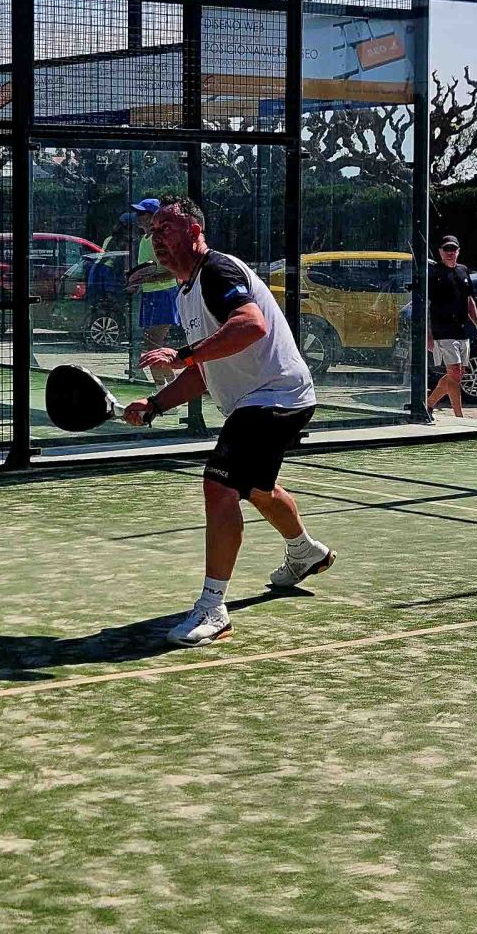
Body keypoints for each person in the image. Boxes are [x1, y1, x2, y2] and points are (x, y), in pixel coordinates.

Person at [123, 196, 336, 647]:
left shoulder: (217, 271)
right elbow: (205, 369)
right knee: (256, 488)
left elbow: (251, 325)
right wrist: (156, 404)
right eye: (153, 231)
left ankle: (212, 609)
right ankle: (304, 551)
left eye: (166, 228)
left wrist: (181, 355)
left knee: (219, 486)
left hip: (275, 397)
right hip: (267, 400)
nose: (156, 238)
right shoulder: (186, 293)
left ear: (195, 232)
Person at [426, 234, 477, 419]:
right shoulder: (434, 274)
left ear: (458, 251)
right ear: (440, 252)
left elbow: (469, 300)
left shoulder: (463, 271)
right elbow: (425, 305)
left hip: (461, 330)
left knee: (458, 373)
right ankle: (458, 416)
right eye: (446, 249)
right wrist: (428, 333)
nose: (450, 253)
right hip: (442, 330)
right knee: (454, 372)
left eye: (453, 249)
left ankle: (428, 404)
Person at [127, 198, 181, 390]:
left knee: (153, 347)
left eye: (142, 213)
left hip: (164, 294)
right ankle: (172, 390)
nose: (138, 217)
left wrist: (146, 279)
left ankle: (164, 393)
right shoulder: (144, 240)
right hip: (149, 296)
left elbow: (173, 271)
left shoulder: (161, 240)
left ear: (154, 217)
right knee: (152, 346)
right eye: (138, 213)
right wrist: (136, 282)